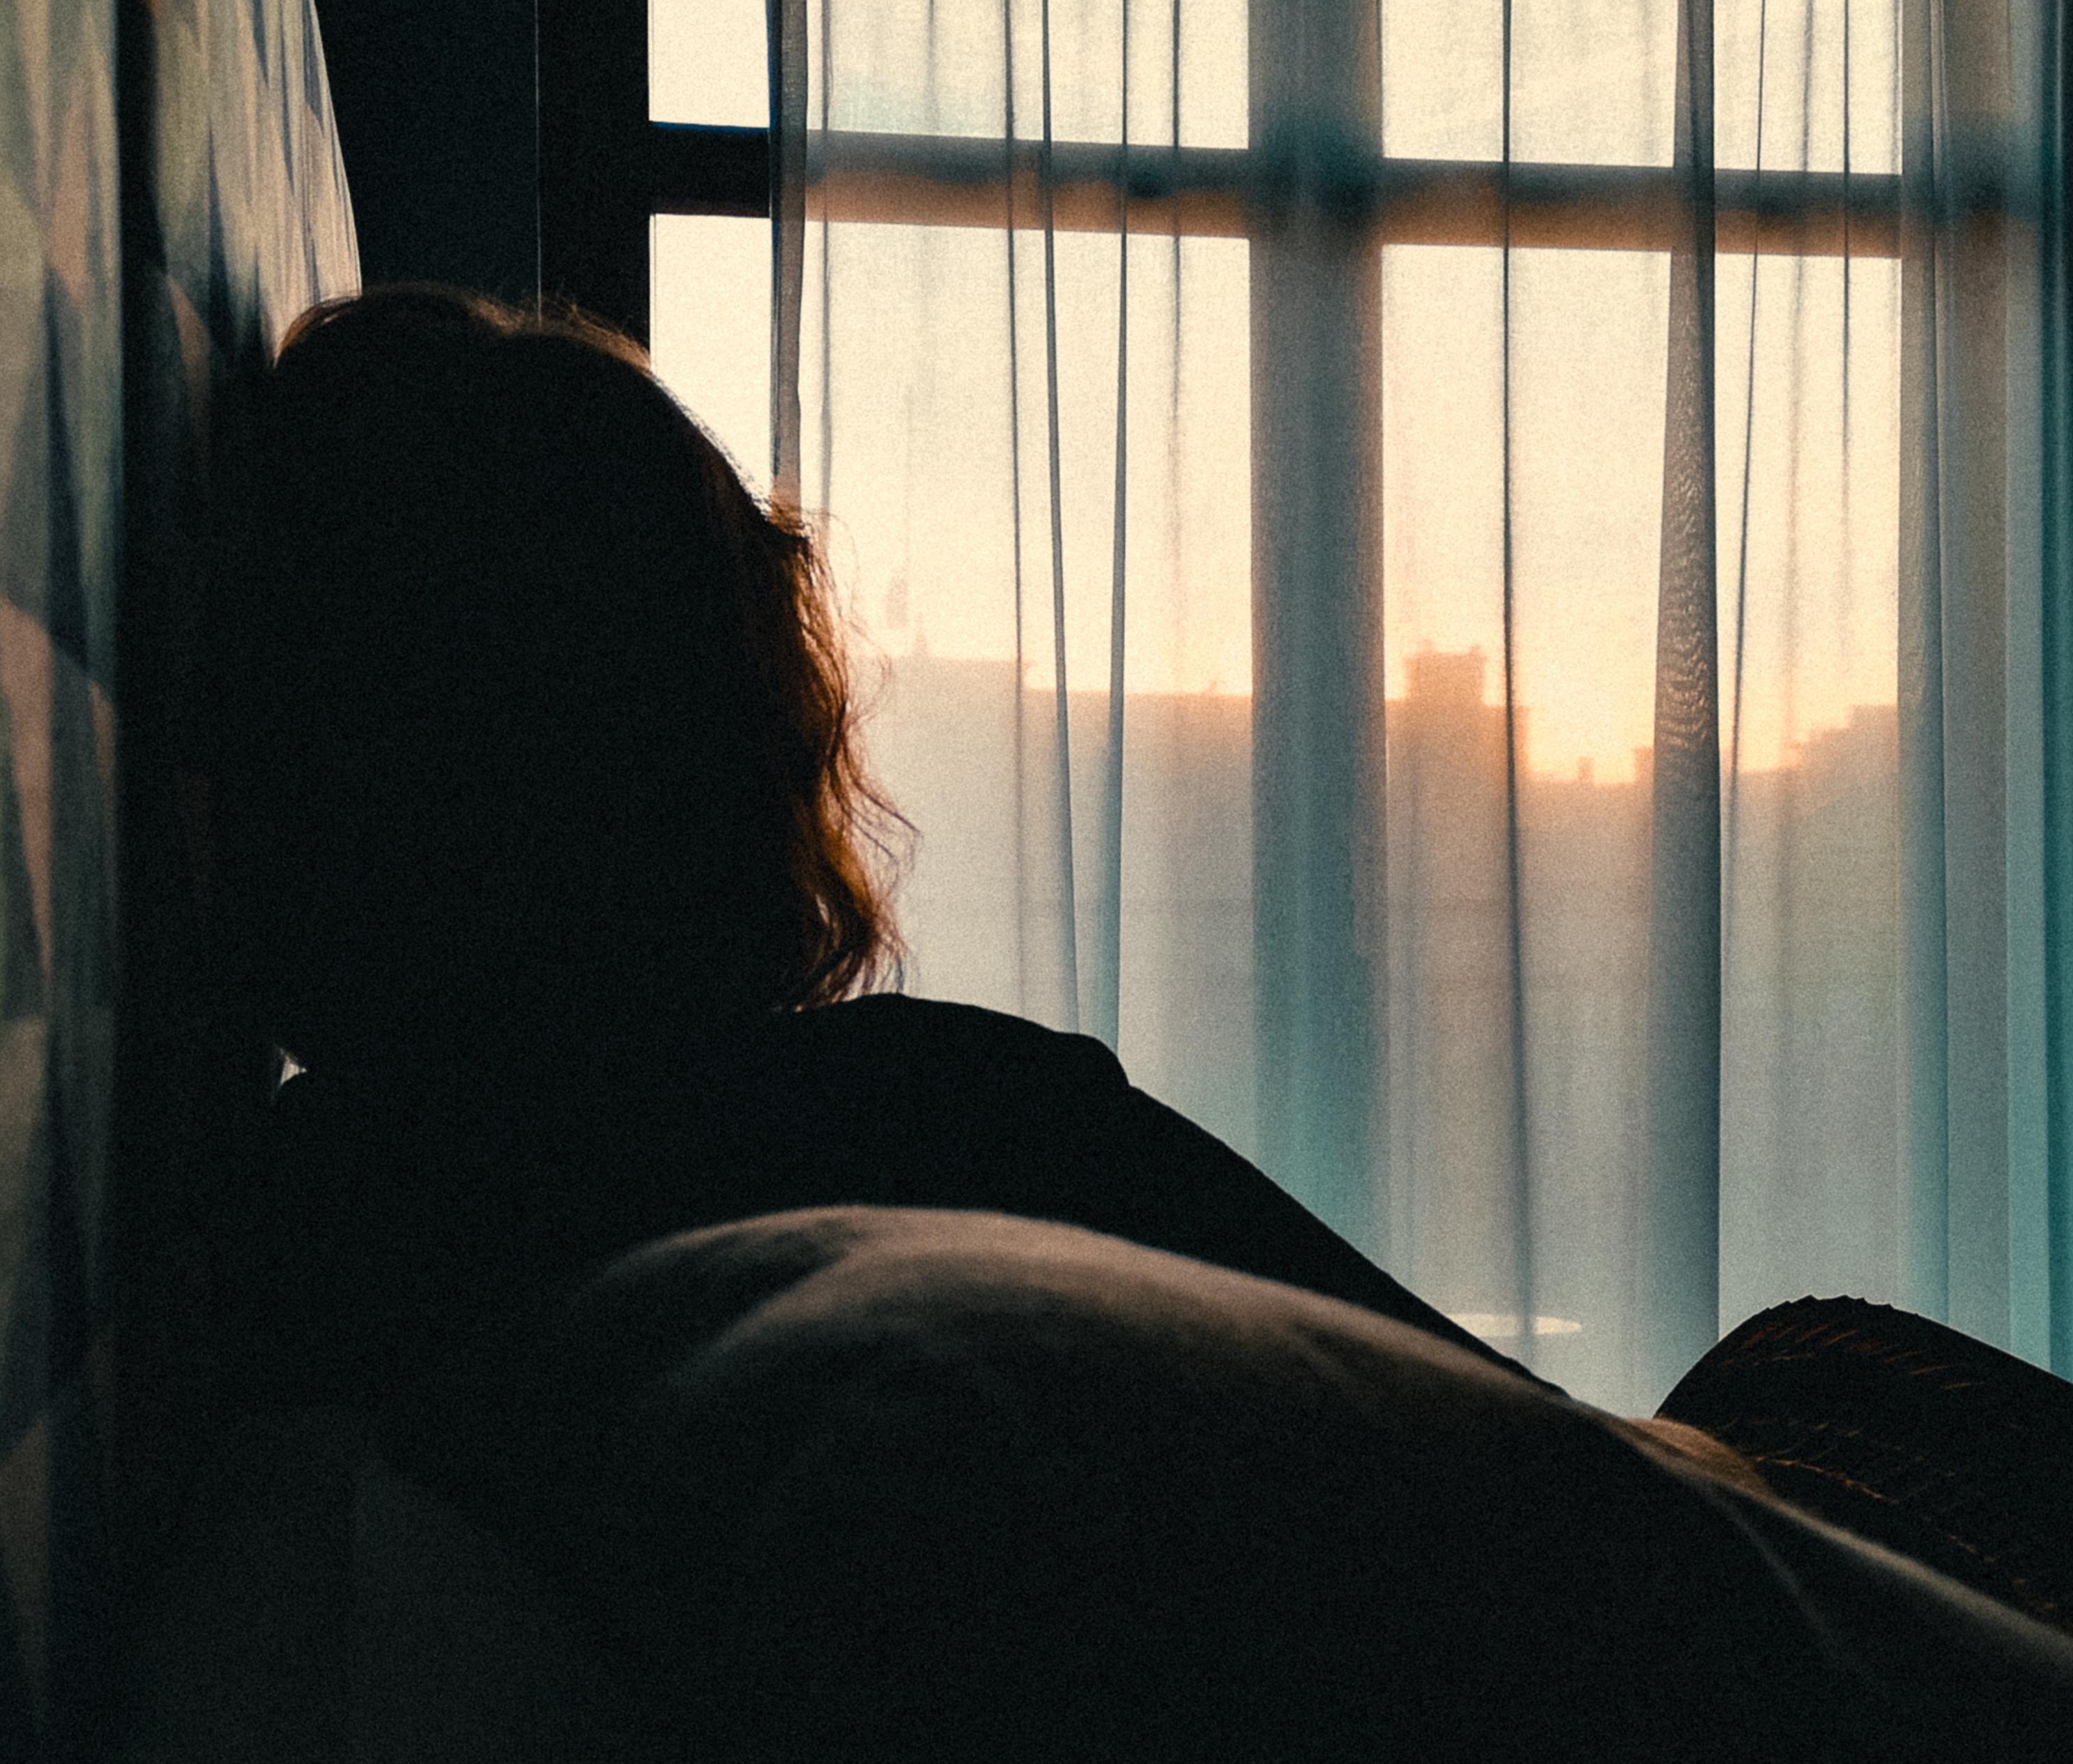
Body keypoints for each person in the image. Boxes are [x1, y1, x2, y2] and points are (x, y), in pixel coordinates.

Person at [149, 285, 2073, 1759]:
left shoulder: (294, 1230)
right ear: (715, 741)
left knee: (1809, 1363)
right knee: (1825, 1367)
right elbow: (1557, 1455)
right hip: (1815, 1566)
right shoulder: (936, 1115)